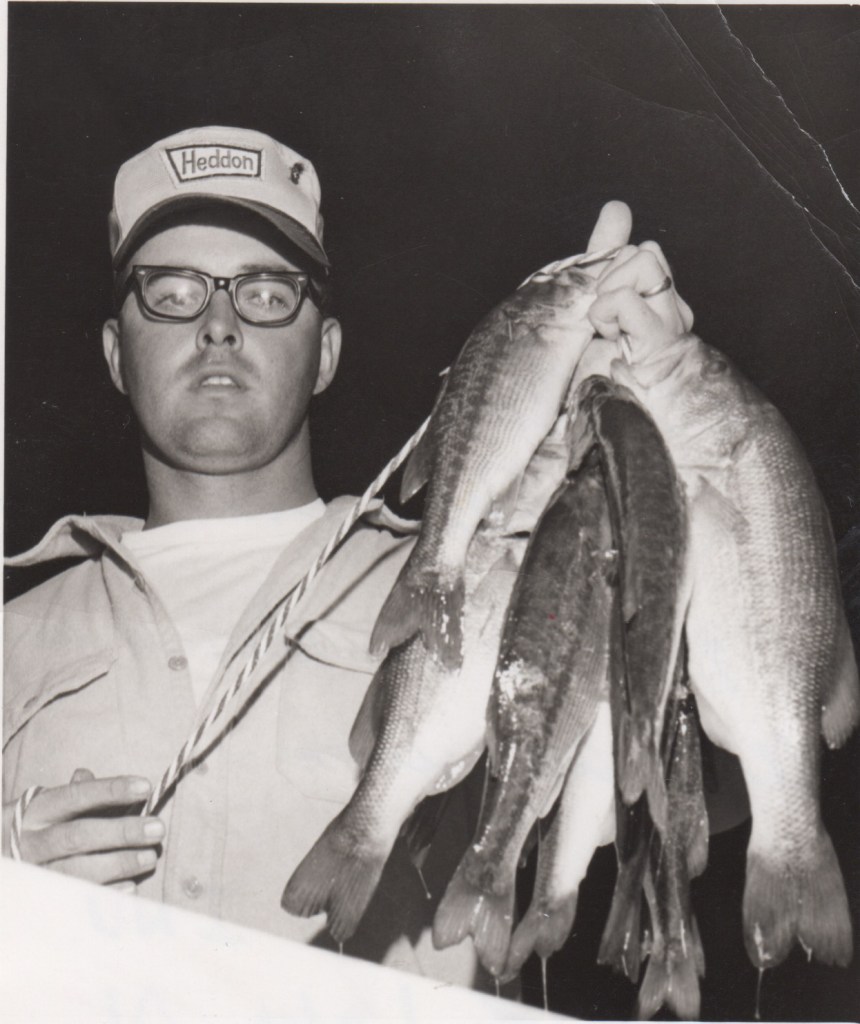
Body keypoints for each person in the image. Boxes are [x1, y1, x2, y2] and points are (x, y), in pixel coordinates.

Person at [2, 125, 714, 989]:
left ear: (326, 352)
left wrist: (674, 417)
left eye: (267, 292)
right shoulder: (13, 637)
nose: (219, 325)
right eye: (173, 291)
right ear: (116, 353)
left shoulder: (484, 572)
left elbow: (700, 747)